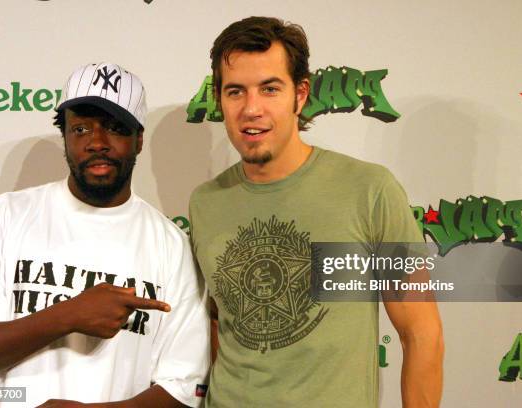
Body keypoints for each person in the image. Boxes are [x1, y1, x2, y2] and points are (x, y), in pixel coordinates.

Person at [189, 17, 443, 407]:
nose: (251, 109)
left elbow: (421, 334)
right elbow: (218, 326)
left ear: (300, 94)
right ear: (220, 99)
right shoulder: (205, 202)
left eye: (270, 89)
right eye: (235, 91)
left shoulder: (369, 190)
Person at [0, 63, 209, 408]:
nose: (97, 143)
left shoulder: (171, 245)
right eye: (82, 128)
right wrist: (68, 315)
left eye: (115, 128)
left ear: (139, 140)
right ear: (66, 136)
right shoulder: (4, 217)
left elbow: (183, 388)